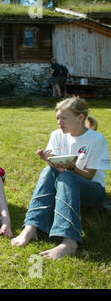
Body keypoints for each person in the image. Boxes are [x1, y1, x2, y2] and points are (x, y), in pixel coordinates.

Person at [11, 97, 111, 260]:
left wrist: (71, 167)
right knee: (47, 171)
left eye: (64, 118)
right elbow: (54, 167)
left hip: (92, 190)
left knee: (66, 176)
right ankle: (32, 226)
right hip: (64, 183)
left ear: (80, 118)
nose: (59, 122)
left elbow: (90, 175)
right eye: (58, 118)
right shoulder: (57, 135)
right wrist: (47, 158)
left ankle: (69, 240)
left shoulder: (96, 139)